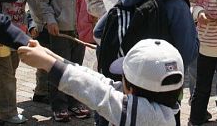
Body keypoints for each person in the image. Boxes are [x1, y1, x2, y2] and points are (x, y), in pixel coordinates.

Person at [18, 39, 185, 126]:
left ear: (132, 90)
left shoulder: (148, 117)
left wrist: (48, 65)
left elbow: (99, 93)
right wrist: (53, 57)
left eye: (123, 77)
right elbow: (101, 82)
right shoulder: (163, 107)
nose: (119, 81)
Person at [36, 0, 91, 121]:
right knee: (60, 69)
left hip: (80, 30)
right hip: (59, 29)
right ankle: (59, 106)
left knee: (77, 68)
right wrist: (50, 20)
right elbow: (41, 1)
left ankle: (75, 103)